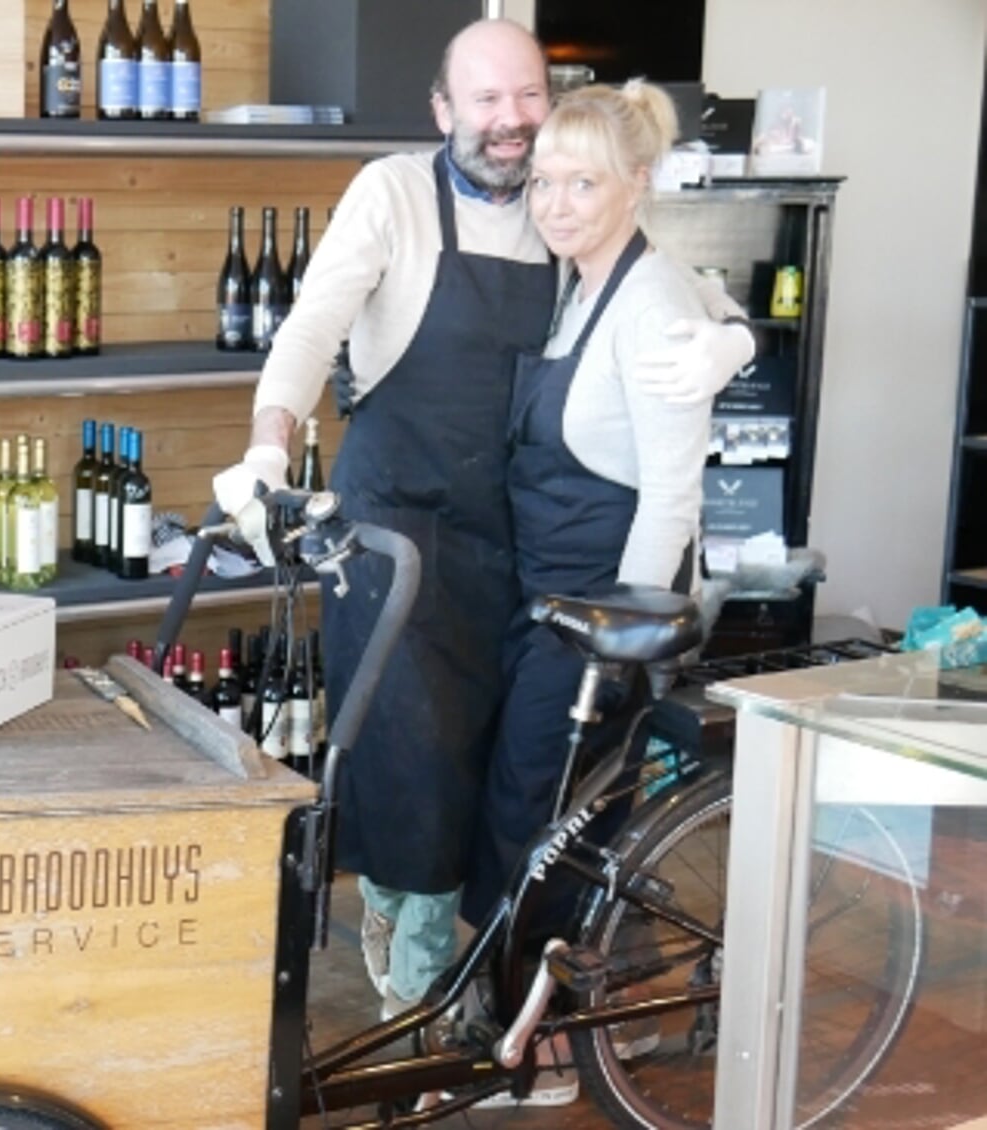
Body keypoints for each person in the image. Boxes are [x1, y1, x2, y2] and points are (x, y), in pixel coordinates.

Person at [211, 19, 752, 1020]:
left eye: (525, 98)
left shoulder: (563, 202)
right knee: (410, 760)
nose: (510, 126)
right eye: (486, 101)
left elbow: (674, 281)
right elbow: (308, 327)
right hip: (393, 526)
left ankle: (495, 982)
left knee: (504, 772)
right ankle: (411, 987)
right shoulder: (392, 193)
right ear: (442, 111)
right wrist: (265, 447)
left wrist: (732, 338)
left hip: (509, 539)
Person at [461, 80, 717, 1106]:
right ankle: (606, 1014)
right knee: (563, 820)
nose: (556, 203)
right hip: (548, 596)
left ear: (636, 183)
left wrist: (621, 645)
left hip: (604, 609)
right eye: (545, 182)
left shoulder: (652, 308)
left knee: (540, 819)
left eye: (583, 182)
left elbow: (670, 494)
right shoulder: (582, 283)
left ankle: (549, 1056)